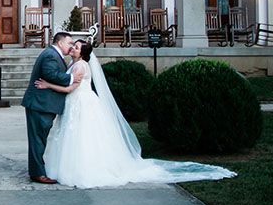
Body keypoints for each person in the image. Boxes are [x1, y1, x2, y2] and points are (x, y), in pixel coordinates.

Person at [35, 40, 236, 188]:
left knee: (84, 138)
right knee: (73, 137)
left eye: (76, 47)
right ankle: (66, 167)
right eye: (73, 46)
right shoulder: (72, 64)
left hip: (82, 104)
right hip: (75, 106)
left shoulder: (80, 66)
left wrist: (47, 84)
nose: (73, 48)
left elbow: (70, 89)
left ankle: (83, 169)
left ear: (83, 53)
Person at [20, 30, 83, 184]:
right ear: (60, 43)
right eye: (69, 43)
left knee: (39, 139)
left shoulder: (54, 55)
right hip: (40, 105)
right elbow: (51, 74)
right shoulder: (50, 55)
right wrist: (72, 78)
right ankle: (37, 173)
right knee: (37, 140)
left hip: (44, 105)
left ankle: (37, 170)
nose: (70, 46)